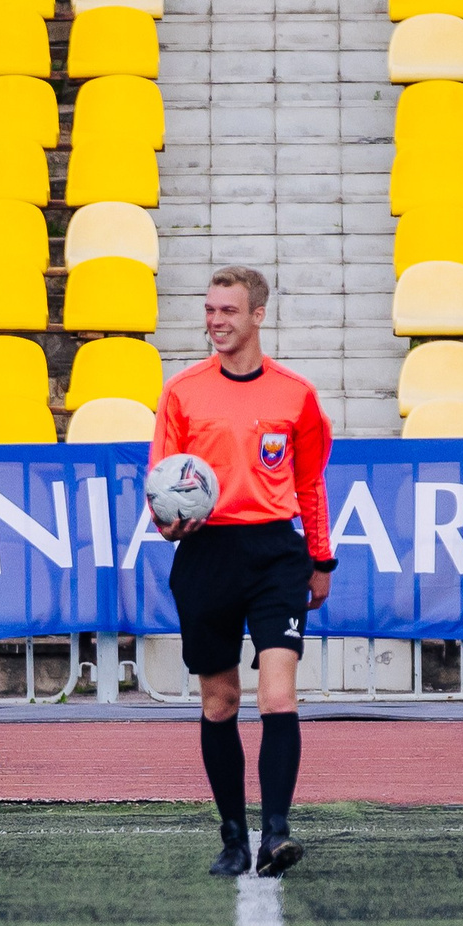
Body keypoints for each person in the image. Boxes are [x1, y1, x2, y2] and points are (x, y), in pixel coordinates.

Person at [151, 268, 335, 879]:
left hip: (275, 553)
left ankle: (276, 832)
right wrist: (166, 523)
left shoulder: (295, 394)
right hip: (205, 553)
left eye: (228, 310)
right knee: (220, 700)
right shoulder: (181, 391)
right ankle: (232, 835)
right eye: (209, 310)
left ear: (258, 315)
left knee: (277, 693)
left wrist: (320, 556)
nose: (216, 321)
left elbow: (309, 481)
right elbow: (162, 480)